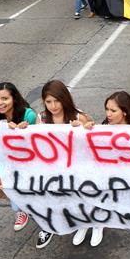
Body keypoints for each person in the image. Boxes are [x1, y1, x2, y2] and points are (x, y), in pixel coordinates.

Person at [79, 92, 130, 249]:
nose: (108, 114)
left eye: (113, 111)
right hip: (113, 179)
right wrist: (82, 131)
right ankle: (97, 223)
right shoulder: (103, 128)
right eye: (107, 109)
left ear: (125, 111)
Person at [34, 80, 93, 249]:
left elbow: (92, 144)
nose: (53, 106)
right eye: (48, 102)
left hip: (75, 167)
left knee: (75, 198)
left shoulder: (78, 116)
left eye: (56, 101)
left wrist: (82, 128)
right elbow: (36, 143)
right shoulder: (42, 118)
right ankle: (49, 226)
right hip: (51, 167)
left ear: (64, 99)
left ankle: (84, 222)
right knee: (48, 198)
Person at [0, 82, 37, 233]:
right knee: (14, 195)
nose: (0, 103)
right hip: (8, 164)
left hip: (29, 163)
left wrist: (21, 132)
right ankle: (21, 211)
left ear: (14, 98)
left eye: (5, 98)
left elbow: (36, 145)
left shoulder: (29, 115)